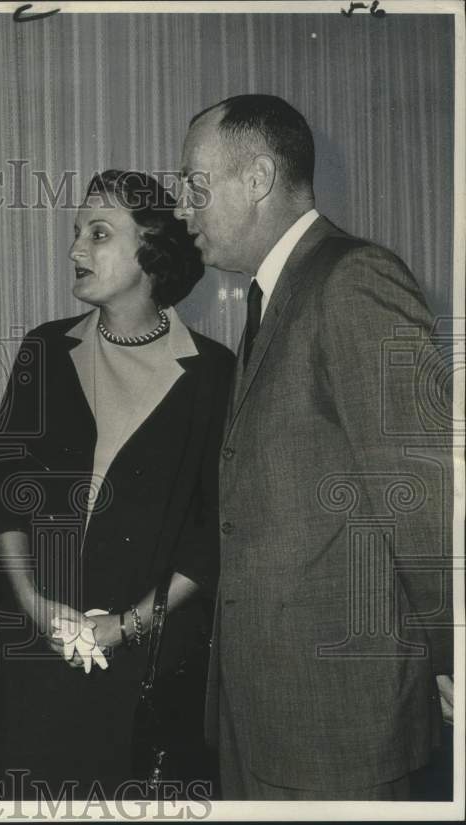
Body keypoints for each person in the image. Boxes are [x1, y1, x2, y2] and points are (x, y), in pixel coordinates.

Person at [175, 93, 454, 800]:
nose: (184, 210)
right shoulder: (274, 297)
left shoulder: (354, 279)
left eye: (194, 185)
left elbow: (424, 494)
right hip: (263, 713)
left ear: (259, 177)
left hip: (340, 722)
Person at [0, 170, 234, 800]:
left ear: (152, 250)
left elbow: (214, 532)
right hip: (38, 646)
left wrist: (125, 626)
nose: (75, 250)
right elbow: (3, 487)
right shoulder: (43, 350)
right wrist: (36, 606)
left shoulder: (215, 374)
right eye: (76, 233)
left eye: (97, 234)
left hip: (150, 659)